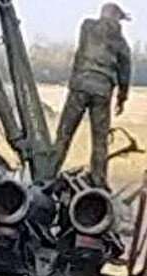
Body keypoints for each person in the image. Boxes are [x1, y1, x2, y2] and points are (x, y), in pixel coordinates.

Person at [54, 2, 133, 188]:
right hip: (102, 91)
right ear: (117, 18)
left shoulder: (87, 27)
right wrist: (122, 98)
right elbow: (125, 72)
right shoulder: (121, 43)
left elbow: (82, 51)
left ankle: (48, 172)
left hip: (80, 86)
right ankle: (98, 181)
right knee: (100, 140)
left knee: (64, 134)